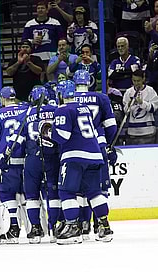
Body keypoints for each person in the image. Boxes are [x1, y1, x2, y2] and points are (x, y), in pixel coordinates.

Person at [42, 80, 113, 244]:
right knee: (94, 192)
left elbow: (62, 137)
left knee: (67, 192)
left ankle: (73, 227)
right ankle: (104, 226)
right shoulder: (84, 108)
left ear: (60, 94)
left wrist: (48, 132)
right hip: (95, 155)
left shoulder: (62, 109)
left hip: (74, 156)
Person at [73, 70, 117, 239]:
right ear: (90, 81)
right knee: (99, 187)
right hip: (98, 145)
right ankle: (100, 223)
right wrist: (109, 145)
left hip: (77, 146)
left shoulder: (68, 99)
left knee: (78, 189)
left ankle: (83, 224)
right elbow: (111, 127)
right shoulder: (101, 98)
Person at [0, 86, 28, 243]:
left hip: (9, 161)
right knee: (31, 195)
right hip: (28, 160)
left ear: (2, 99)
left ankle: (14, 227)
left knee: (7, 194)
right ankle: (36, 228)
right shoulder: (27, 110)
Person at [17, 86, 60, 244]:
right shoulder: (56, 110)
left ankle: (35, 228)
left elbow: (19, 140)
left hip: (32, 158)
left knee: (32, 195)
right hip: (52, 157)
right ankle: (54, 228)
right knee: (53, 194)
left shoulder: (26, 113)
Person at [22, 1, 64, 66]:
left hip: (51, 55)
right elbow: (24, 40)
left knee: (50, 75)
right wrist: (32, 41)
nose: (40, 10)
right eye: (38, 8)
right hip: (35, 56)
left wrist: (58, 53)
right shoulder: (29, 24)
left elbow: (61, 38)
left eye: (42, 8)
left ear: (47, 10)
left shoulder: (55, 22)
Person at [123, 70, 158, 145]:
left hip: (148, 132)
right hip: (132, 132)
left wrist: (142, 103)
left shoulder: (150, 91)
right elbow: (126, 112)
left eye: (138, 81)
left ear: (143, 79)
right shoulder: (128, 92)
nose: (136, 83)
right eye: (134, 81)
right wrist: (129, 104)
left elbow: (153, 108)